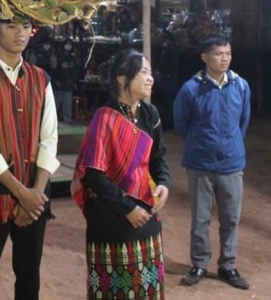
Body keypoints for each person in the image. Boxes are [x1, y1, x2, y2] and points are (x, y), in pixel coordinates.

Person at [0, 8, 59, 300]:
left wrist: (35, 194)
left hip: (35, 194)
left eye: (26, 25)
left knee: (29, 280)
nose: (20, 33)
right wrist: (23, 194)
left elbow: (49, 140)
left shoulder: (41, 79)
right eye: (11, 26)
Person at [71, 48, 171, 299]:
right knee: (113, 291)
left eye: (151, 73)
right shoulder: (104, 117)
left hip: (146, 215)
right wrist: (127, 209)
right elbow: (93, 174)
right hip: (110, 218)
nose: (151, 78)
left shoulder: (151, 114)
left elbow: (158, 158)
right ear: (122, 79)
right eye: (144, 72)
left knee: (147, 288)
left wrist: (163, 183)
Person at [173, 35, 251, 290]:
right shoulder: (191, 89)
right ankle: (199, 264)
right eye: (218, 54)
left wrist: (230, 144)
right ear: (205, 57)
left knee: (230, 218)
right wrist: (201, 143)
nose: (225, 58)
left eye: (228, 53)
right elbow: (181, 123)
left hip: (231, 163)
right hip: (200, 164)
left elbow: (244, 121)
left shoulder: (240, 86)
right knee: (201, 218)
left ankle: (228, 266)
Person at [50, 39, 80, 124]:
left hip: (68, 85)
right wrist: (56, 81)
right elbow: (53, 70)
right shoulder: (58, 56)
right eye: (67, 44)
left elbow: (75, 70)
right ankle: (51, 121)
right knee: (55, 104)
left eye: (70, 44)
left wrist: (73, 80)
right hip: (58, 84)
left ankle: (68, 120)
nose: (68, 46)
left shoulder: (72, 58)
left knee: (68, 104)